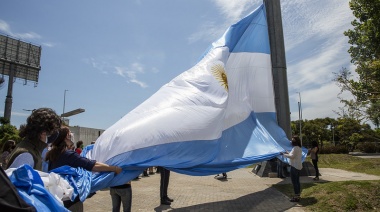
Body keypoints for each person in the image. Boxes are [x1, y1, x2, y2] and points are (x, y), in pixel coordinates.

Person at [46, 126, 122, 212]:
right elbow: (92, 165)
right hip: (71, 200)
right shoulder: (68, 154)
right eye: (70, 134)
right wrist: (114, 168)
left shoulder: (52, 155)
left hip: (58, 198)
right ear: (66, 137)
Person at [281, 136, 303, 202]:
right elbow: (293, 154)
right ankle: (298, 195)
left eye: (292, 140)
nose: (291, 141)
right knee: (297, 182)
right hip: (298, 167)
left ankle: (296, 197)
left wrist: (283, 154)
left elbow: (292, 156)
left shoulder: (295, 148)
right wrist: (288, 152)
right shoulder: (299, 148)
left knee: (294, 182)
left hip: (294, 167)